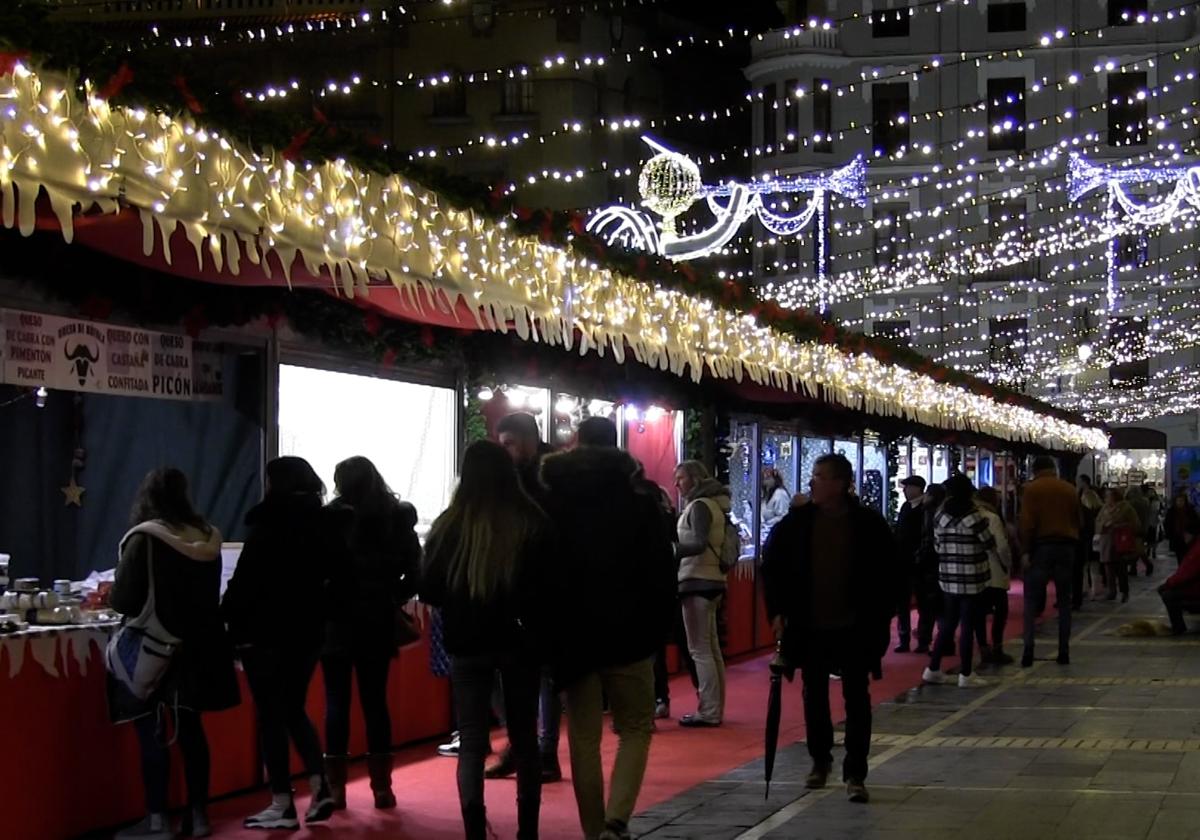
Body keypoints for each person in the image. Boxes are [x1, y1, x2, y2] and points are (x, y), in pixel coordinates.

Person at [540, 416, 676, 840]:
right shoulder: (639, 502)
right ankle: (616, 820)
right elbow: (660, 570)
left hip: (573, 634)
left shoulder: (552, 502)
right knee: (635, 727)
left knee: (583, 737)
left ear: (575, 444)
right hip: (630, 631)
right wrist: (659, 627)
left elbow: (542, 571)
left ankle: (593, 829)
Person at [421, 439, 556, 840]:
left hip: (467, 643)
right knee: (524, 738)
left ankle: (474, 829)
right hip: (519, 642)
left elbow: (428, 588)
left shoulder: (450, 524)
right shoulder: (531, 520)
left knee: (472, 741)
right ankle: (526, 830)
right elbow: (548, 588)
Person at [109, 468, 239, 840]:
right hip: (200, 649)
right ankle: (199, 817)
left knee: (150, 733)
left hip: (155, 647)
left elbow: (125, 599)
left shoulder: (144, 539)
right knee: (192, 733)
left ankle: (156, 821)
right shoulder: (209, 536)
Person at [761, 453, 896, 804]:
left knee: (857, 697)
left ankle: (856, 771)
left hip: (854, 625)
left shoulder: (867, 524)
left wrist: (881, 616)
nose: (812, 482)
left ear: (839, 483)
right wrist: (776, 611)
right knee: (814, 694)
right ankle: (820, 760)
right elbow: (773, 566)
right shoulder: (798, 523)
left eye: (819, 476)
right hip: (811, 624)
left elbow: (890, 574)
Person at [222, 457, 344, 830]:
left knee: (270, 716)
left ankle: (282, 801)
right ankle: (319, 783)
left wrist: (227, 618)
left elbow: (245, 583)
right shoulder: (325, 524)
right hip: (307, 633)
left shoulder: (267, 526)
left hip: (263, 634)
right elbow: (340, 579)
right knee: (293, 708)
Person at [322, 456, 421, 810]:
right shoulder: (395, 517)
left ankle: (336, 789)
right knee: (375, 703)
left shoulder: (330, 520)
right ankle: (382, 787)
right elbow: (415, 571)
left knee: (336, 703)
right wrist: (391, 597)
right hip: (377, 621)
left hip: (335, 621)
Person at [487, 412, 565, 783]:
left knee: (544, 677)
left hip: (543, 589)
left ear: (528, 440)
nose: (505, 451)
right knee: (509, 676)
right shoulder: (512, 479)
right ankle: (522, 746)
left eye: (509, 443)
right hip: (515, 587)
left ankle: (543, 752)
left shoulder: (551, 478)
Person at [923, 473, 996, 688]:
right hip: (973, 578)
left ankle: (933, 668)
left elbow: (937, 546)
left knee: (948, 624)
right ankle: (966, 673)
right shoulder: (975, 517)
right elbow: (988, 543)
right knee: (968, 625)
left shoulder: (940, 517)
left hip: (948, 578)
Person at [672, 460, 730, 728]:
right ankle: (715, 707)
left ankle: (709, 710)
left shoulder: (699, 506)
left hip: (697, 581)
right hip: (713, 581)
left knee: (700, 650)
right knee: (711, 649)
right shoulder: (715, 505)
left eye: (681, 478)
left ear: (694, 479)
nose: (677, 484)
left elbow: (696, 543)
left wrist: (671, 550)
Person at [1018, 456, 1081, 668]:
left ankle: (1028, 650)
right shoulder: (1069, 489)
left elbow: (1027, 523)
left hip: (1040, 547)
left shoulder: (1032, 490)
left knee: (1031, 600)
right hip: (1066, 546)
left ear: (1034, 470)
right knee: (1064, 601)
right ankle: (1064, 651)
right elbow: (1078, 519)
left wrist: (1025, 551)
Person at [973, 486, 1014, 665]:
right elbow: (1002, 547)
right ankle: (997, 648)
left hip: (975, 572)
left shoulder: (970, 517)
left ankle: (983, 647)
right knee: (1000, 610)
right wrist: (1008, 564)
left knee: (979, 613)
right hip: (994, 570)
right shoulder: (992, 518)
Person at [893, 475, 929, 653]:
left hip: (918, 563)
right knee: (902, 602)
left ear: (916, 489)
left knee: (922, 600)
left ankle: (923, 639)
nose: (904, 490)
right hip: (903, 562)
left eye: (907, 487)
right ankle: (904, 638)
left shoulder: (926, 508)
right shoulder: (906, 506)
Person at [1096, 487, 1140, 603]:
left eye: (1109, 496)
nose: (1106, 498)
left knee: (1121, 568)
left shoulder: (1125, 508)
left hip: (1120, 541)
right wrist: (1102, 526)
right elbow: (1098, 522)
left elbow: (1135, 524)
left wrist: (1119, 526)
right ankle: (1111, 591)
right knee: (1108, 568)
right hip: (1106, 541)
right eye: (1105, 496)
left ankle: (1124, 591)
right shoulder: (1104, 508)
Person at [1158, 527, 1200, 635]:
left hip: (1196, 590)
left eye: (1186, 534)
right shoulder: (1194, 547)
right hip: (1195, 587)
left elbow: (1186, 573)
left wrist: (1167, 584)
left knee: (1168, 595)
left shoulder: (1197, 549)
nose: (1184, 537)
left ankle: (1178, 627)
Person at [1078, 476, 1104, 601]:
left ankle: (1085, 589)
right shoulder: (1100, 510)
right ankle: (1095, 589)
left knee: (1084, 566)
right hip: (1098, 540)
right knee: (1095, 566)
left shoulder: (1085, 513)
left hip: (1086, 540)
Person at [1164, 491, 1199, 564]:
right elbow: (1167, 524)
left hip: (1188, 538)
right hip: (1176, 537)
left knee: (1187, 557)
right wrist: (1169, 534)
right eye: (1178, 501)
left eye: (1182, 501)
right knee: (1179, 556)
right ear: (1175, 501)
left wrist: (1192, 533)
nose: (1180, 503)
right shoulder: (1172, 511)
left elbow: (1196, 523)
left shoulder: (1190, 511)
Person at [1125, 484, 1152, 577]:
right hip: (1143, 527)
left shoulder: (1130, 503)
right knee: (1137, 548)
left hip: (1134, 528)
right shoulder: (1145, 501)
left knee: (1137, 549)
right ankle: (1134, 567)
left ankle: (1146, 565)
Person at [760, 465, 792, 532]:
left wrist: (767, 523)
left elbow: (784, 517)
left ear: (775, 479)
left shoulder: (780, 494)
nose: (764, 482)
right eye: (763, 479)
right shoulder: (766, 495)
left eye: (767, 478)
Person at [1145, 484, 1162, 562]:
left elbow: (1160, 511)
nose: (1150, 494)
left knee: (1154, 537)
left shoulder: (1157, 502)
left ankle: (1153, 551)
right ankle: (1149, 550)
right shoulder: (1145, 501)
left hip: (1154, 521)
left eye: (1152, 492)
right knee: (1149, 538)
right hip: (1147, 522)